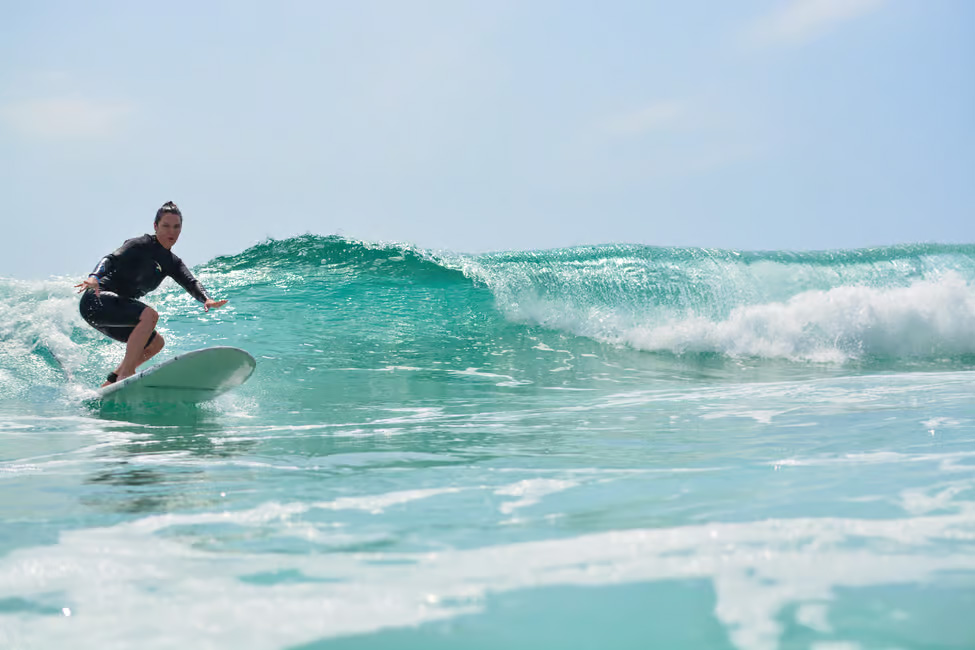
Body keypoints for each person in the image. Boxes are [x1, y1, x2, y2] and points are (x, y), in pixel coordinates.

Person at [75, 201, 228, 387]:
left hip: (116, 311)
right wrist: (94, 277)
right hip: (96, 301)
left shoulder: (172, 262)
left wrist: (207, 299)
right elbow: (111, 259)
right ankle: (126, 373)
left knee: (156, 343)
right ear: (155, 226)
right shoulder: (140, 244)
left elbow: (190, 282)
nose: (171, 231)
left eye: (176, 227)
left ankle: (112, 381)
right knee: (150, 316)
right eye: (166, 226)